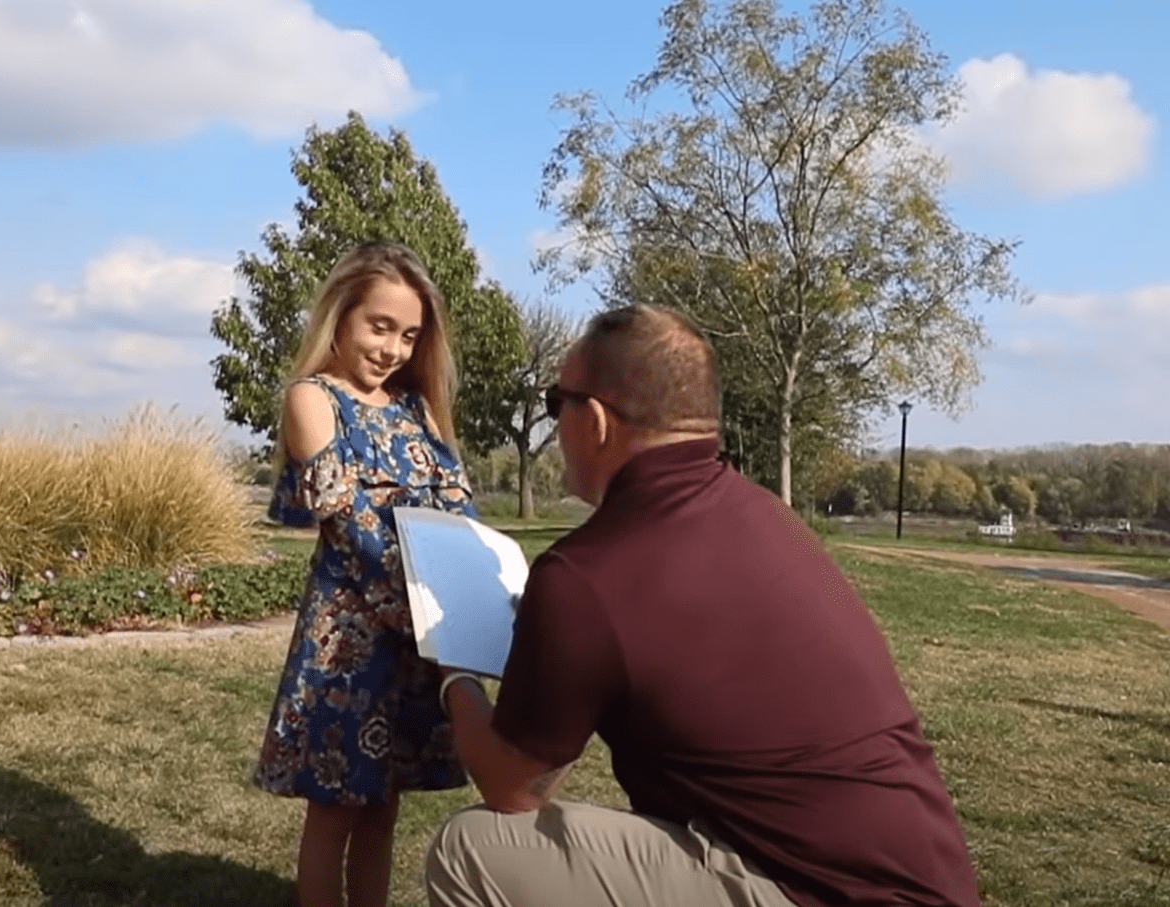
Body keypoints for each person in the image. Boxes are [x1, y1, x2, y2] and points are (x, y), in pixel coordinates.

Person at [426, 305, 981, 907]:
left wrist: (453, 672)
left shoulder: (589, 572)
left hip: (813, 890)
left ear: (594, 420)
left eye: (557, 402)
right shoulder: (769, 518)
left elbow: (516, 787)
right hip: (922, 883)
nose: (555, 424)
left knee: (471, 851)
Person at [255, 242, 477, 907]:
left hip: (419, 635)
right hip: (350, 641)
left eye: (408, 334)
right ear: (342, 315)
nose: (392, 348)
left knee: (383, 807)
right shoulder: (311, 396)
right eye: (378, 325)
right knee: (334, 807)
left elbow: (461, 509)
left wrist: (473, 604)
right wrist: (433, 612)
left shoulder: (418, 408)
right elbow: (348, 520)